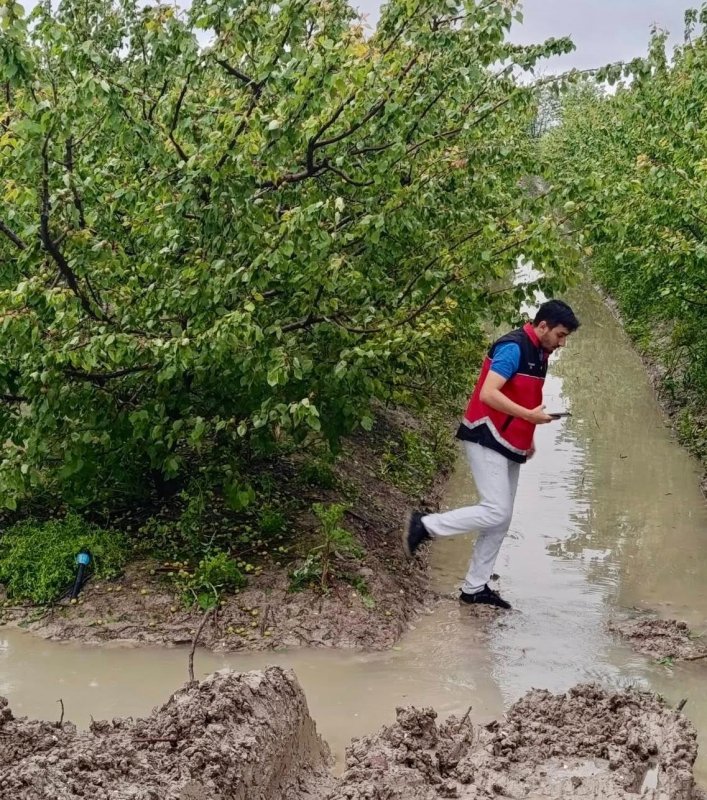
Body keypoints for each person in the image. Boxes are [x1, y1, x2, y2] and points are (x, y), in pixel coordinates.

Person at [402, 299, 580, 609]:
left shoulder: (540, 352)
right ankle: (425, 526)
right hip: (485, 433)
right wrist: (528, 417)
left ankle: (474, 587)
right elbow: (488, 393)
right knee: (496, 510)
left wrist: (528, 433)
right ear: (543, 326)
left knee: (501, 518)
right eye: (560, 335)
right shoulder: (513, 347)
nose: (562, 343)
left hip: (510, 438)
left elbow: (526, 396)